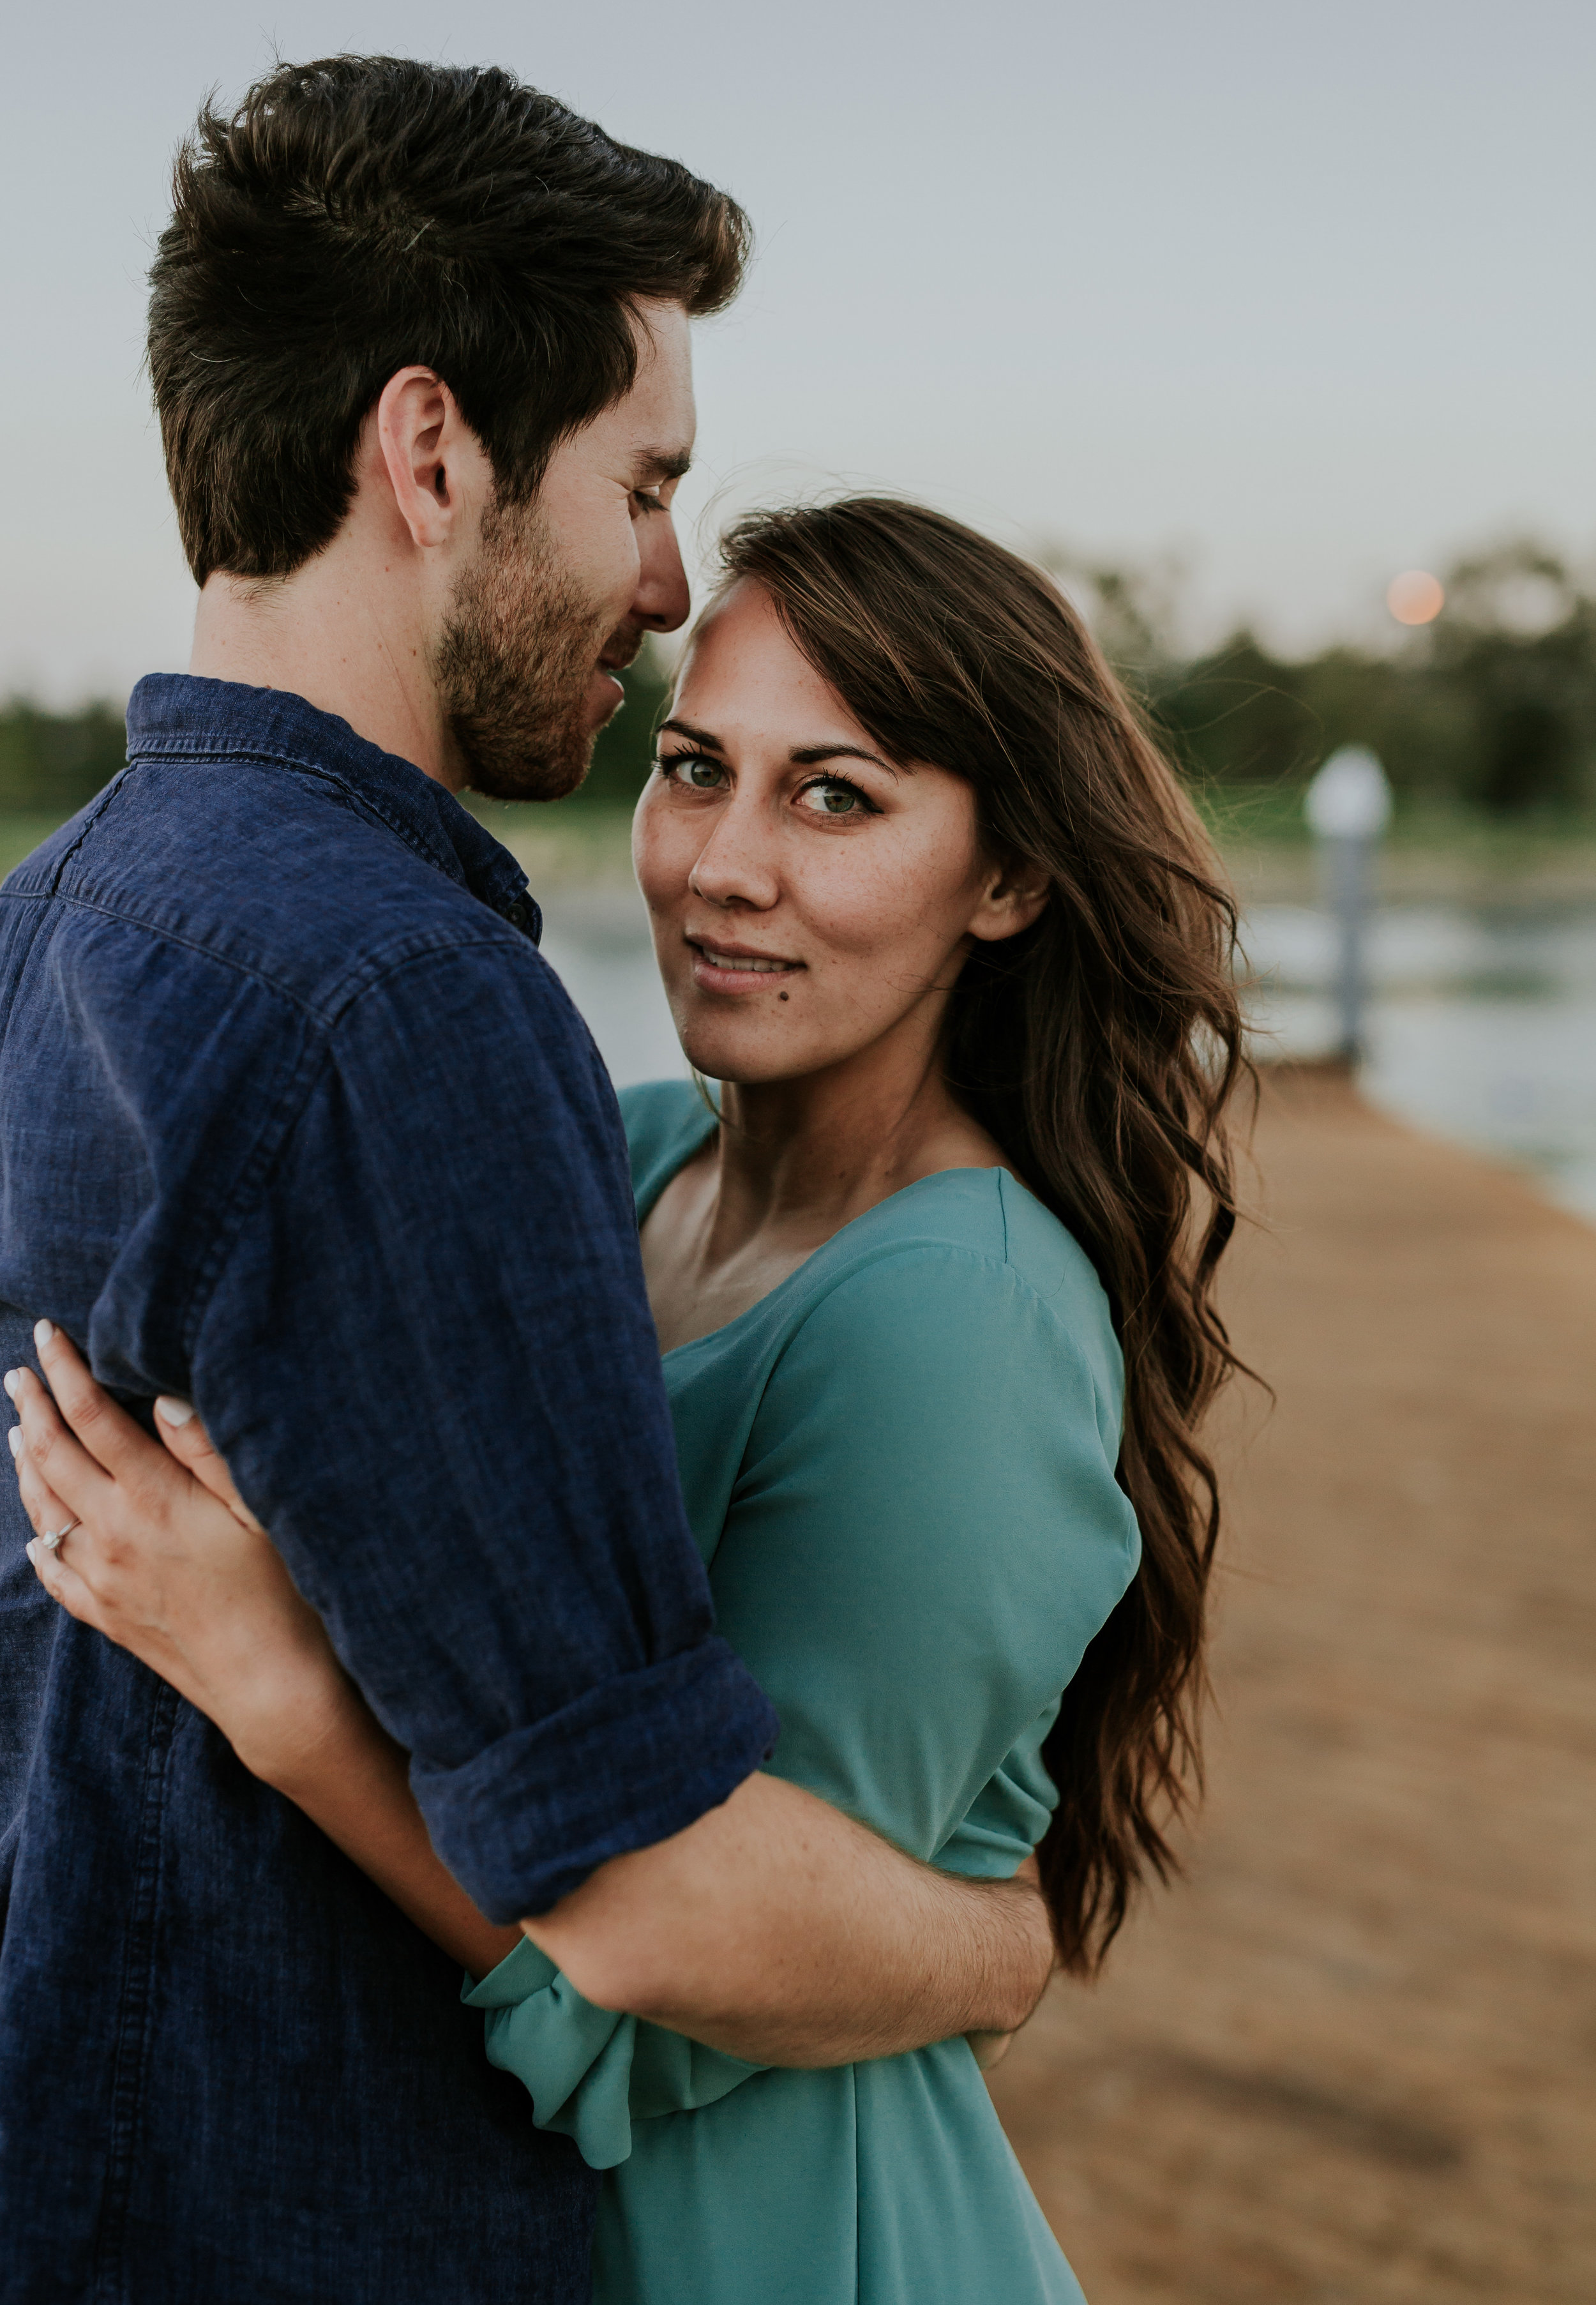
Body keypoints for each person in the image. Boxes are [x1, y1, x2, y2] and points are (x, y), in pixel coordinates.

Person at [0, 70, 1054, 2305]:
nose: (666, 581)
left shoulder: (46, 918)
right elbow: (634, 1872)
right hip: (298, 2218)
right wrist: (990, 1942)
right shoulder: (404, 1006)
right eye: (642, 485)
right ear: (429, 453)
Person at [11, 498, 1249, 2301]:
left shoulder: (959, 1316)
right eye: (692, 770)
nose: (721, 865)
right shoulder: (626, 1155)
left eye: (834, 796)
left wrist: (278, 1683)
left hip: (773, 2233)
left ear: (1007, 879)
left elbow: (689, 1985)